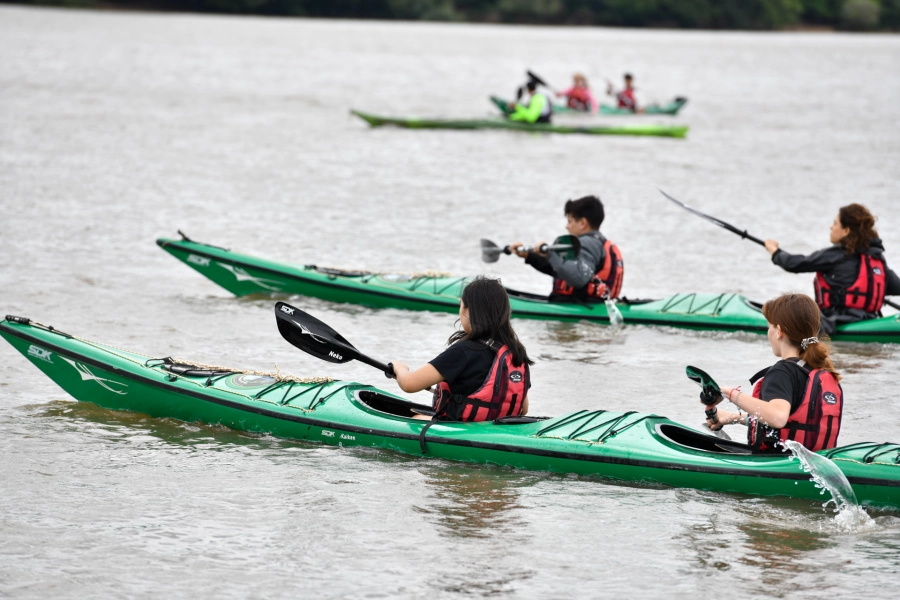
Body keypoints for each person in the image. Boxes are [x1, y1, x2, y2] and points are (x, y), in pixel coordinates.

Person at [705, 293, 844, 453]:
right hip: (815, 459)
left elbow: (777, 418)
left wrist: (729, 393)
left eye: (769, 327)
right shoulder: (818, 369)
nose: (768, 333)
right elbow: (790, 420)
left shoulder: (782, 372)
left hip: (779, 461)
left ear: (779, 331)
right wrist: (733, 418)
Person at [391, 277, 532, 422]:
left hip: (462, 428)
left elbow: (409, 384)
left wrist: (400, 369)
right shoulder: (515, 353)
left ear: (468, 311)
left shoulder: (463, 351)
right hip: (497, 427)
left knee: (416, 417)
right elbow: (523, 408)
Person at [764, 204, 900, 336]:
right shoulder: (877, 259)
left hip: (834, 323)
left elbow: (794, 264)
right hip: (870, 319)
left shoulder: (835, 255)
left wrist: (775, 251)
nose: (831, 227)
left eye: (835, 223)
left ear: (846, 231)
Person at [510, 196, 623, 303]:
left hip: (579, 304)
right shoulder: (596, 243)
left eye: (570, 221)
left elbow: (578, 278)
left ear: (583, 223)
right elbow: (559, 269)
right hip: (581, 303)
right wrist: (529, 255)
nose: (566, 226)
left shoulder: (588, 243)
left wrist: (550, 254)